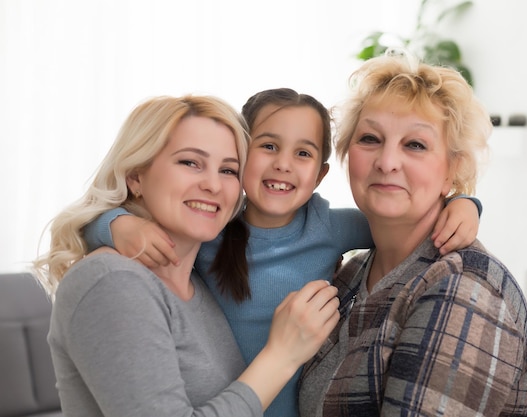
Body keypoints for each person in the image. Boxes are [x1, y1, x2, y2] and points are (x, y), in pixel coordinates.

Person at [83, 88, 483, 417]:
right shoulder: (208, 229)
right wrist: (118, 223)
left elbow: (403, 218)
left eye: (304, 153)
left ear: (321, 174)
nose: (283, 165)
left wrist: (464, 202)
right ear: (240, 158)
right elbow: (89, 223)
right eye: (269, 146)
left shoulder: (327, 226)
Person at [32, 95, 340, 417]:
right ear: (136, 176)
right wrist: (282, 356)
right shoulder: (113, 281)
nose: (212, 185)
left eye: (228, 170)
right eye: (190, 162)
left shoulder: (198, 283)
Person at [298, 53, 527, 416]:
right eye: (370, 138)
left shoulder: (461, 288)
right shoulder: (353, 273)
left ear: (454, 170)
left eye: (415, 145)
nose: (387, 162)